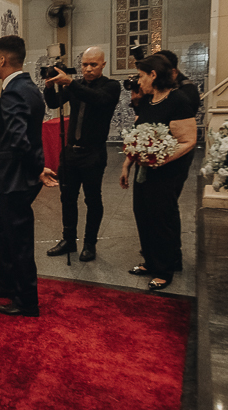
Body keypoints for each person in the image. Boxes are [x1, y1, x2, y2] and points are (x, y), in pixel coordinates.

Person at [0, 36, 58, 316]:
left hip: (18, 177)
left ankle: (26, 301)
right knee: (5, 231)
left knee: (19, 240)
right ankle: (8, 284)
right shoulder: (28, 87)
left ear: (2, 59)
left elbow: (20, 139)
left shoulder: (13, 92)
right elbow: (6, 128)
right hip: (18, 176)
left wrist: (37, 169)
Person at [119, 54, 197, 291]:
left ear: (153, 75)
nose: (139, 81)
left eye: (141, 76)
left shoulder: (178, 100)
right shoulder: (147, 101)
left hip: (166, 172)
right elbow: (138, 137)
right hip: (144, 170)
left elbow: (188, 141)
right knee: (143, 214)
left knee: (162, 218)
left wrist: (160, 159)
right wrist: (127, 164)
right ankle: (151, 261)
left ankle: (165, 269)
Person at [42, 47, 122, 262]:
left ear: (103, 64)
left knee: (92, 199)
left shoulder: (111, 86)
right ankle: (68, 239)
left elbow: (97, 99)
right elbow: (53, 103)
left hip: (93, 153)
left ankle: (89, 243)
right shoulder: (76, 85)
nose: (88, 69)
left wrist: (70, 83)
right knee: (67, 198)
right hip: (70, 152)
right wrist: (49, 86)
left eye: (93, 65)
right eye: (85, 64)